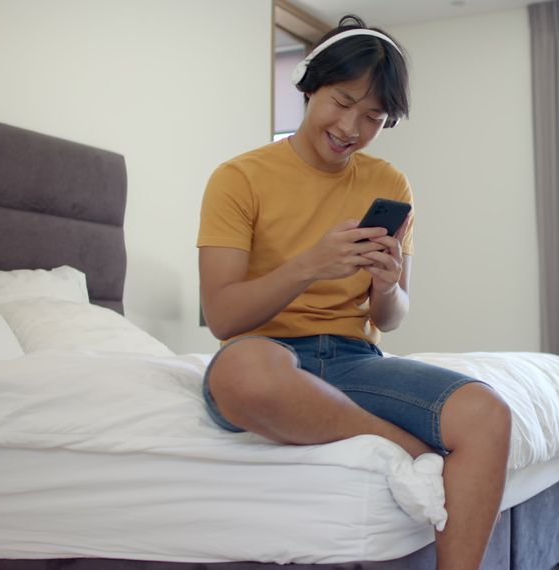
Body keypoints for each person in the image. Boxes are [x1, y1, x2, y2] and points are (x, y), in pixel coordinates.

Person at [196, 15, 511, 570]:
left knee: (487, 413)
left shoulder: (389, 183)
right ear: (309, 85)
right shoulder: (239, 178)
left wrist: (387, 287)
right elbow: (222, 316)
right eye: (342, 102)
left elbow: (390, 319)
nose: (351, 127)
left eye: (373, 118)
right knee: (240, 374)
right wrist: (309, 265)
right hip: (266, 353)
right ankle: (407, 449)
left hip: (352, 360)